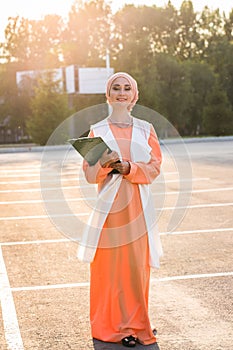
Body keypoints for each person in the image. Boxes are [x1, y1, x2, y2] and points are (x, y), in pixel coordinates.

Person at [77, 72, 163, 347]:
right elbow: (90, 176)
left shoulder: (146, 128)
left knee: (136, 270)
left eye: (127, 88)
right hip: (108, 212)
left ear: (134, 96)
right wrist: (106, 165)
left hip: (138, 208)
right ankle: (108, 327)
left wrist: (131, 168)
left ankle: (136, 325)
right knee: (108, 270)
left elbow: (154, 167)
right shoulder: (96, 131)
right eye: (117, 88)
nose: (122, 92)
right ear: (108, 94)